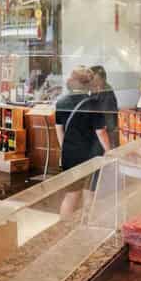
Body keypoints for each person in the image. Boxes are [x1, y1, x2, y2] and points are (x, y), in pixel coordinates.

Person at [55, 67, 111, 216]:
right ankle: (87, 228)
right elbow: (101, 132)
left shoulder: (61, 102)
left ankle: (64, 228)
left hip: (70, 154)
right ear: (88, 83)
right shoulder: (93, 104)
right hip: (91, 154)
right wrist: (109, 151)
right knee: (89, 194)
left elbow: (59, 129)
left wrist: (65, 149)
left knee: (71, 194)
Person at [90, 65, 119, 149]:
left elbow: (108, 119)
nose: (92, 82)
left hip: (106, 134)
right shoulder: (96, 90)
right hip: (99, 133)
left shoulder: (107, 92)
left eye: (95, 79)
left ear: (103, 79)